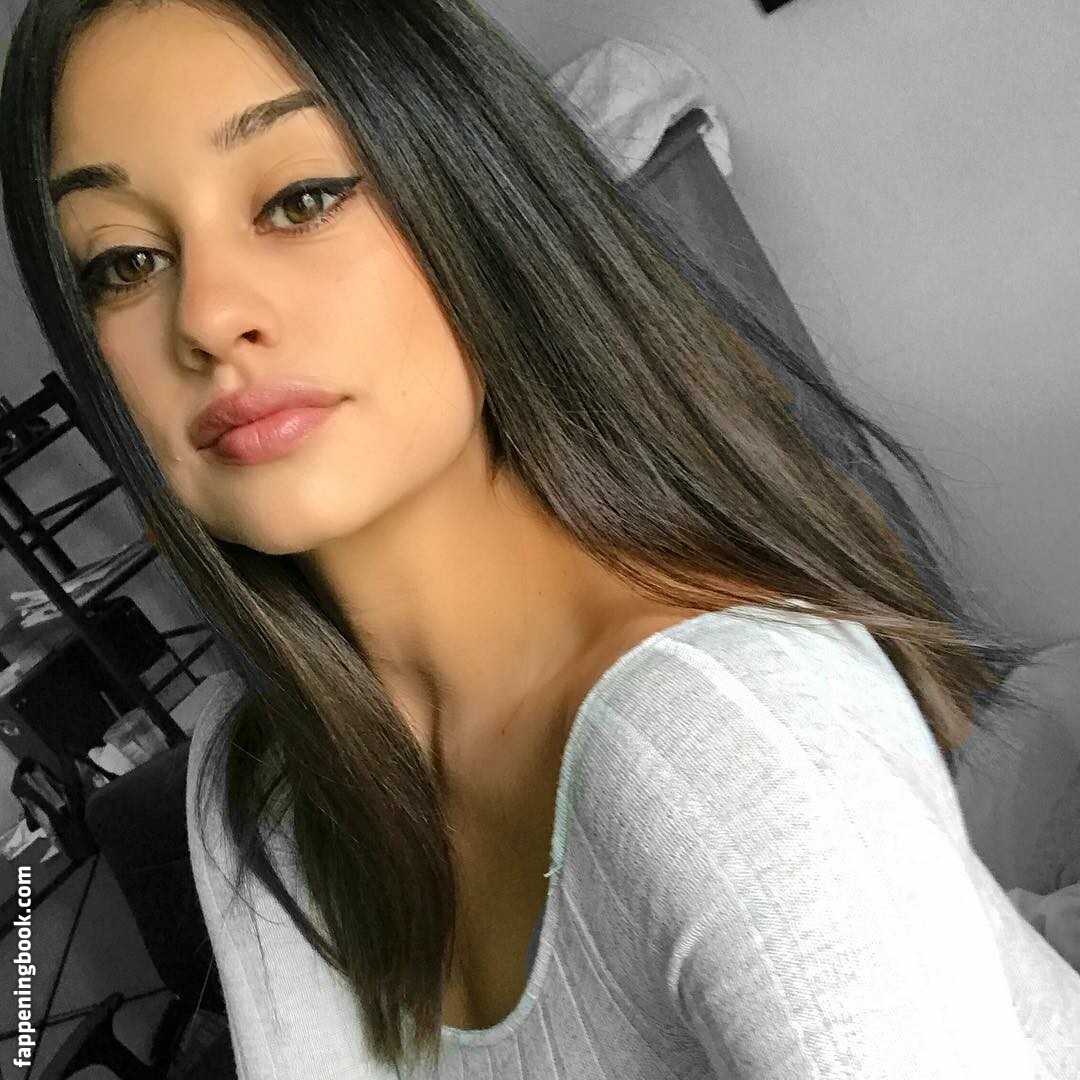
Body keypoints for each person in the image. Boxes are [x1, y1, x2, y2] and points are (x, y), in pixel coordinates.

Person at [2, 1, 1078, 1077]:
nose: (204, 315)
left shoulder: (723, 736)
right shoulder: (252, 781)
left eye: (301, 198)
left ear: (472, 198)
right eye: (123, 262)